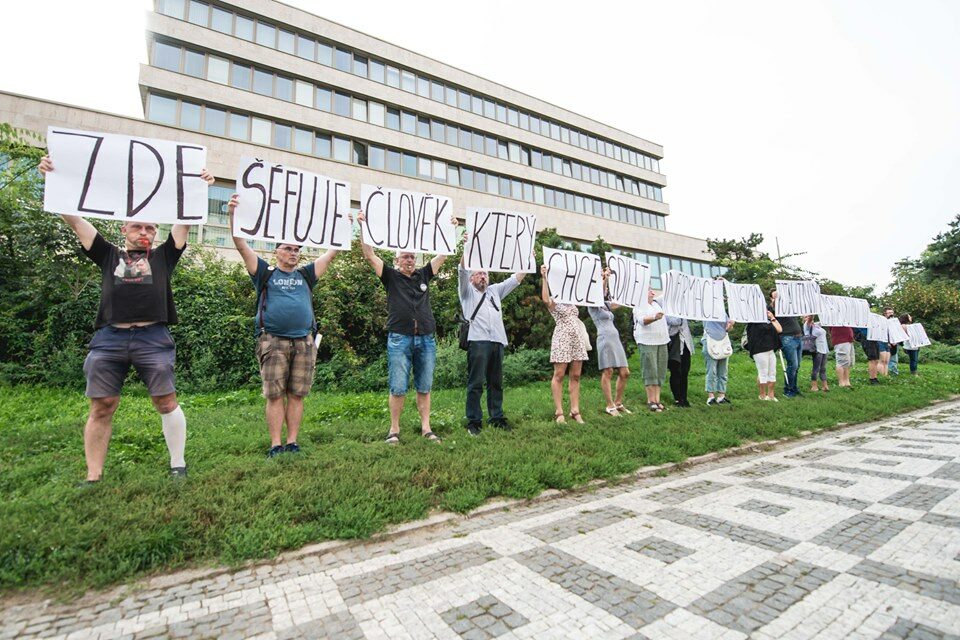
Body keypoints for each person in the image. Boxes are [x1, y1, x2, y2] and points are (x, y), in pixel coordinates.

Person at [38, 155, 215, 483]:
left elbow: (185, 221)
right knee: (102, 405)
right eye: (138, 226)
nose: (145, 232)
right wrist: (54, 179)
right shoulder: (107, 254)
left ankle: (178, 463)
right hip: (109, 339)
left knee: (166, 400)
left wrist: (196, 188)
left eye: (150, 227)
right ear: (125, 229)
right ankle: (94, 475)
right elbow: (75, 221)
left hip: (153, 338)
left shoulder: (164, 256)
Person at [228, 195, 342, 457]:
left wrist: (343, 226)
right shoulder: (265, 273)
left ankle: (292, 442)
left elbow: (332, 252)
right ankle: (275, 444)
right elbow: (240, 244)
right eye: (288, 249)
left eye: (296, 250)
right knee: (275, 394)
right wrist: (234, 215)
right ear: (276, 251)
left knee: (297, 394)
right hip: (273, 340)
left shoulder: (306, 275)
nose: (293, 253)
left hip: (303, 341)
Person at [356, 211, 452, 444]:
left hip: (426, 338)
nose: (409, 260)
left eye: (412, 257)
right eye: (405, 257)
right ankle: (394, 430)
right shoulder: (389, 276)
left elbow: (443, 256)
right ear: (397, 260)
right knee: (398, 387)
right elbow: (369, 255)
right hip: (400, 338)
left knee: (425, 385)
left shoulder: (424, 275)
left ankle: (426, 428)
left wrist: (449, 230)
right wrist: (363, 227)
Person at [458, 252, 525, 435]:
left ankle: (497, 417)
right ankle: (474, 421)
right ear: (472, 278)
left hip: (497, 341)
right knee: (476, 383)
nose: (483, 277)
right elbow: (462, 270)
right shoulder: (466, 292)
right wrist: (467, 247)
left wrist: (527, 259)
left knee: (496, 383)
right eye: (479, 274)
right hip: (478, 341)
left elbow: (515, 279)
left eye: (485, 274)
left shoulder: (495, 291)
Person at [540, 265, 588, 423]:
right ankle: (559, 412)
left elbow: (590, 295)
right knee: (559, 374)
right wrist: (544, 277)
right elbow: (545, 299)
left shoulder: (572, 300)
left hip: (577, 339)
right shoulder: (555, 300)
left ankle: (575, 410)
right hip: (562, 338)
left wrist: (603, 280)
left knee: (576, 375)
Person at [588, 269, 631, 417]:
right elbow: (599, 294)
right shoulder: (592, 303)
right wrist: (604, 279)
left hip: (615, 339)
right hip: (605, 338)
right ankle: (609, 404)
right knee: (608, 371)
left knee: (625, 372)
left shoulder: (605, 304)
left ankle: (618, 403)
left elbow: (618, 302)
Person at [633, 288, 669, 412]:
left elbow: (670, 293)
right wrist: (655, 317)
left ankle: (657, 400)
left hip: (662, 341)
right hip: (647, 341)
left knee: (660, 370)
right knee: (650, 369)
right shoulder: (639, 306)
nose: (653, 292)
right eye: (649, 290)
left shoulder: (656, 304)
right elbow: (642, 321)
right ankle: (651, 400)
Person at [769, 289, 803, 397]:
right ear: (771, 298)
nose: (779, 298)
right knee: (793, 365)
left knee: (797, 366)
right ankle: (788, 389)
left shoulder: (789, 307)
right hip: (787, 338)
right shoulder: (772, 309)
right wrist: (775, 302)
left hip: (798, 337)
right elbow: (772, 312)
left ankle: (794, 387)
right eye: (775, 296)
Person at [746, 309, 783, 401]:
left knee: (772, 372)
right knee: (763, 372)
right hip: (759, 350)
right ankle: (762, 395)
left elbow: (779, 329)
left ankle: (771, 395)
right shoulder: (753, 321)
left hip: (770, 350)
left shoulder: (769, 321)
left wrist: (772, 318)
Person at [702, 316, 735, 405]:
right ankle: (711, 396)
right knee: (711, 371)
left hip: (723, 342)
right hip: (710, 341)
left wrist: (731, 324)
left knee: (723, 371)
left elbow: (728, 329)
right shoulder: (707, 311)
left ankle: (721, 396)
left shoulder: (723, 313)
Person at [665, 314, 693, 407]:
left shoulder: (684, 308)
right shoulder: (667, 309)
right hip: (674, 344)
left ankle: (684, 398)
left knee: (685, 372)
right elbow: (675, 321)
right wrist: (682, 312)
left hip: (685, 343)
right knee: (676, 371)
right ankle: (677, 398)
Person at [804, 316, 829, 392]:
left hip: (824, 349)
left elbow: (826, 319)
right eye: (806, 316)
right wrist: (811, 314)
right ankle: (814, 386)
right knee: (816, 368)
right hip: (816, 349)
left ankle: (825, 386)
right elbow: (810, 319)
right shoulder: (806, 325)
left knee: (823, 368)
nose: (808, 317)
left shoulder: (816, 325)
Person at [884, 307, 899, 376]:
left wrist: (896, 341)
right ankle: (884, 373)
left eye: (892, 313)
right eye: (889, 313)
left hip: (895, 342)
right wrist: (887, 342)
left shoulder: (895, 322)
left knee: (894, 359)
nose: (891, 314)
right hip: (885, 343)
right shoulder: (883, 322)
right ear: (885, 314)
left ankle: (893, 373)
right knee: (884, 359)